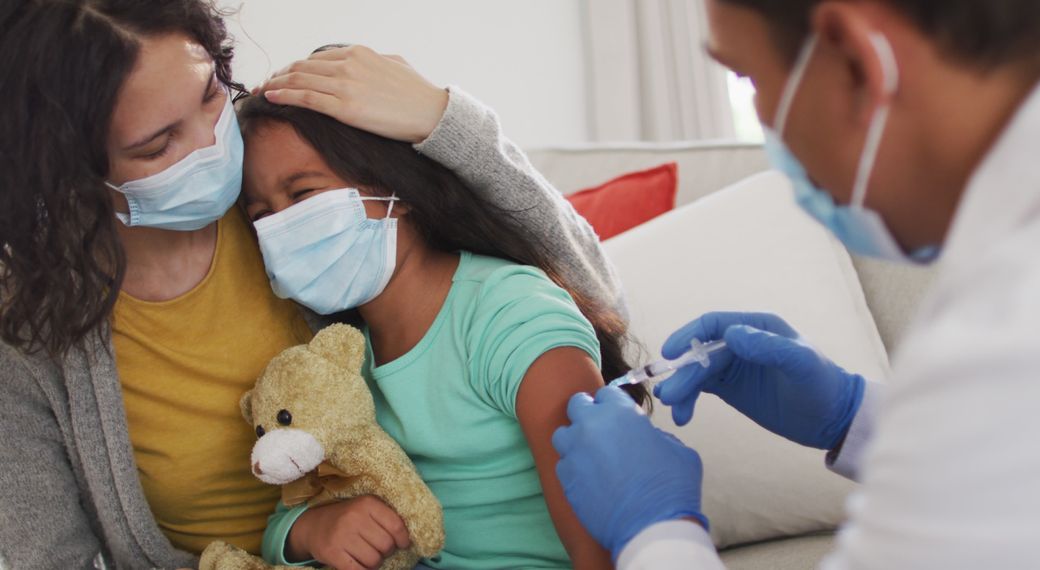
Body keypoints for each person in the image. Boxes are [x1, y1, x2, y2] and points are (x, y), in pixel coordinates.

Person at [0, 1, 626, 568]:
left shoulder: (307, 204)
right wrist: (301, 536)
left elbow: (588, 301)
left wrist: (443, 122)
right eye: (160, 144)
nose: (215, 149)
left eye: (212, 95)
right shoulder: (28, 325)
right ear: (69, 172)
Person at [552, 0, 1040, 568]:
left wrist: (653, 528)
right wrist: (855, 415)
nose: (766, 119)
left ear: (854, 57)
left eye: (749, 77)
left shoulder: (1024, 327)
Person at [236, 82, 646, 569]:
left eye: (303, 193)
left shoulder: (509, 312)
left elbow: (604, 533)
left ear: (398, 189)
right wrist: (311, 530)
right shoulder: (335, 360)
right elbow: (292, 505)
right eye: (262, 215)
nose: (284, 227)